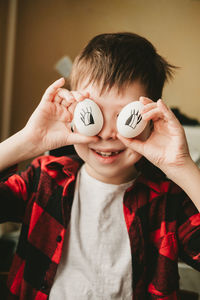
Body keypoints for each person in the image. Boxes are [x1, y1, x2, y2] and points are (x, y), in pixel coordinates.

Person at [0, 32, 200, 300]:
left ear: (151, 120)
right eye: (92, 113)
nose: (106, 133)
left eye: (125, 117)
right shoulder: (44, 178)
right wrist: (27, 141)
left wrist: (182, 167)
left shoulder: (169, 202)